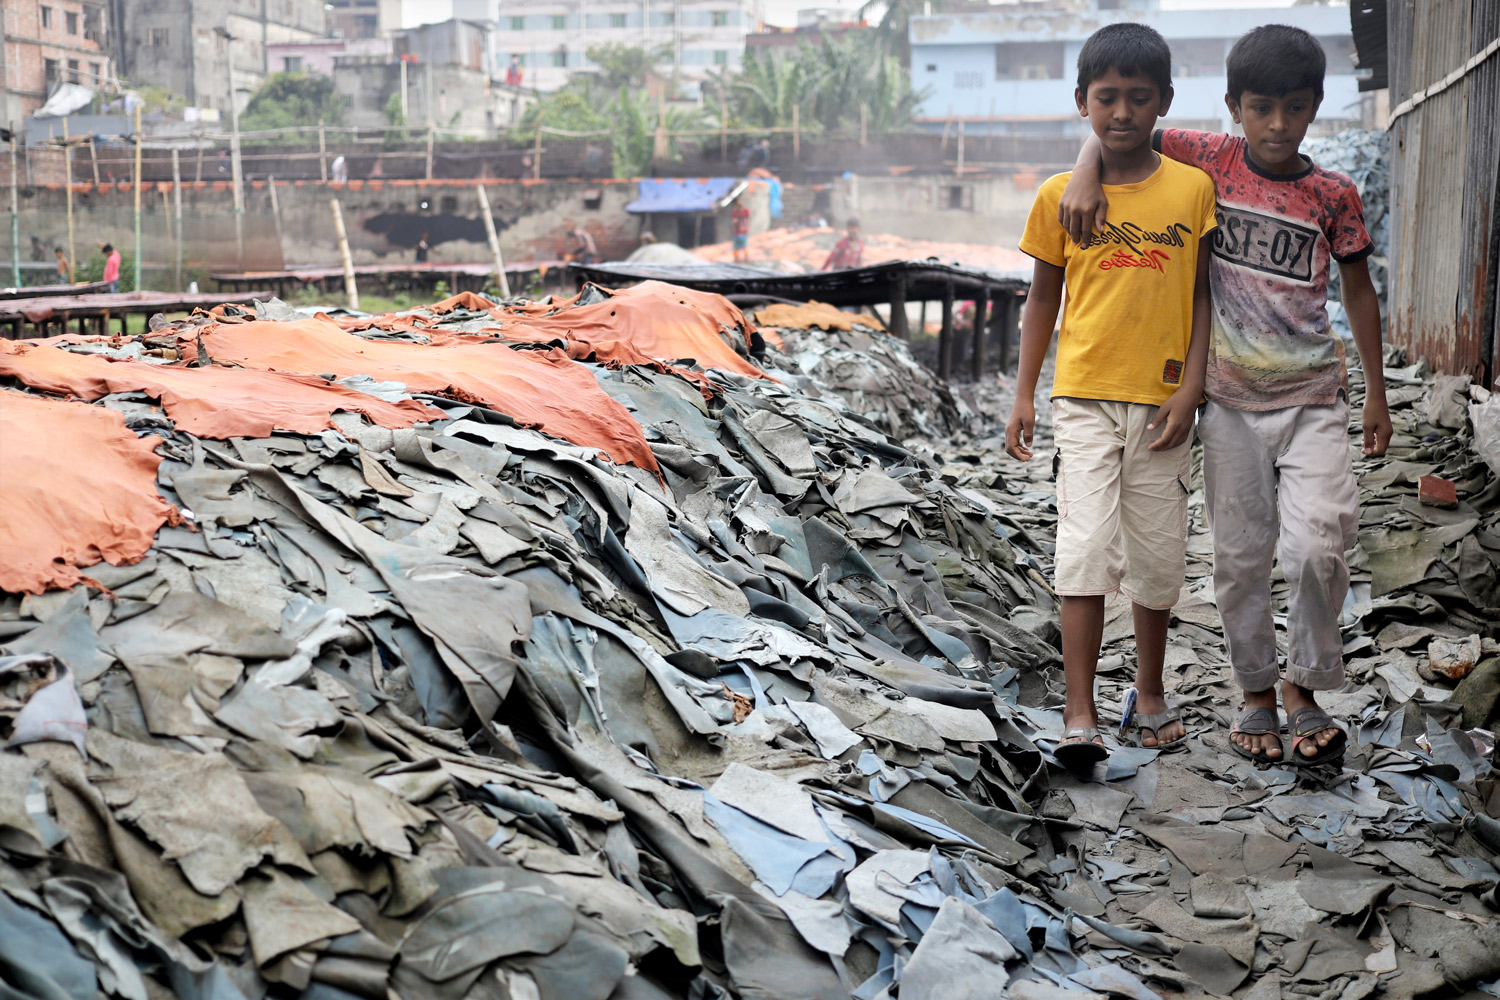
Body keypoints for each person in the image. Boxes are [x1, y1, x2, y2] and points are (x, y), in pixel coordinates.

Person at [1057, 24, 1391, 766]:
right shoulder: (1207, 159)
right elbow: (1116, 124)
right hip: (1230, 405)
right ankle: (1257, 695)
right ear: (1234, 106)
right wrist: (1084, 170)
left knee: (1316, 547)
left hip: (1313, 398)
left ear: (1315, 108)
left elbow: (1359, 294)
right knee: (1241, 561)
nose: (1277, 125)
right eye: (1261, 107)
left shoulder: (1333, 194)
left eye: (1295, 108)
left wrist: (1375, 393)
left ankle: (1304, 685)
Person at [1004, 22, 1218, 767]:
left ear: (1163, 100)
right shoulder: (1058, 196)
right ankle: (1079, 713)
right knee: (1084, 550)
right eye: (1106, 98)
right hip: (1084, 397)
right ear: (1081, 102)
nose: (1121, 112)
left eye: (1137, 97)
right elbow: (1040, 301)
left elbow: (1201, 299)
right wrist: (1024, 393)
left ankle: (1149, 693)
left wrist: (1192, 387)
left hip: (1162, 406)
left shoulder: (1192, 190)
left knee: (1158, 561)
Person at [730, 197, 751, 263]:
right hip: (736, 232)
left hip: (744, 232)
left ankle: (746, 260)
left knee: (744, 247)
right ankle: (736, 260)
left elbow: (747, 220)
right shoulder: (734, 212)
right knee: (736, 248)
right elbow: (734, 221)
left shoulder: (745, 211)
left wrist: (744, 226)